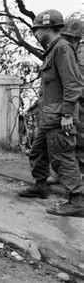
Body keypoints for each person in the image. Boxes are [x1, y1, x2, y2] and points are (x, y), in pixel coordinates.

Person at [18, 9, 83, 217]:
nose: (35, 33)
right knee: (37, 153)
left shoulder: (62, 49)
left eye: (37, 29)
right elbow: (51, 88)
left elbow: (73, 84)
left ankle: (77, 200)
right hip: (48, 117)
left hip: (58, 118)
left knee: (63, 158)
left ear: (47, 27)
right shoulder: (53, 49)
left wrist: (66, 115)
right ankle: (41, 187)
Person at [60, 18, 84, 177]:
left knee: (79, 138)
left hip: (79, 101)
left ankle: (79, 173)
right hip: (72, 101)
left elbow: (78, 79)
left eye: (68, 37)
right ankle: (66, 172)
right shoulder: (68, 50)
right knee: (67, 138)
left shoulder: (81, 53)